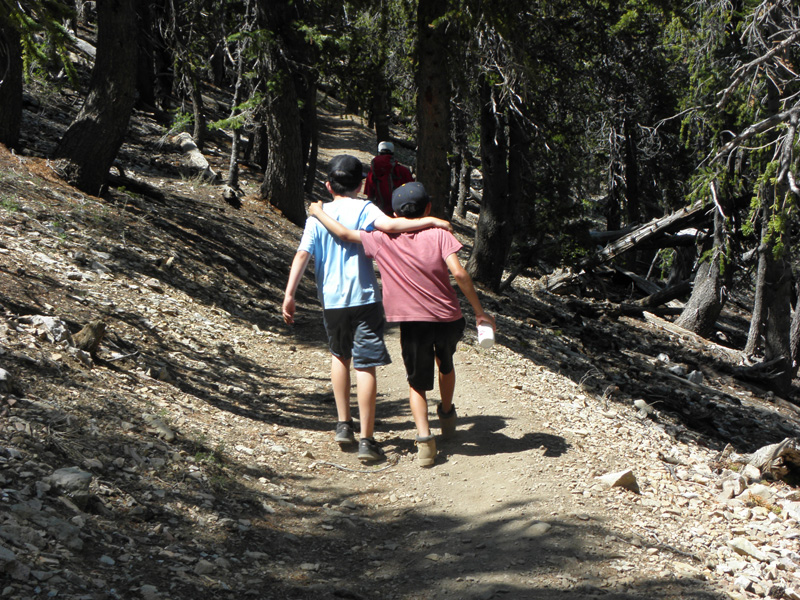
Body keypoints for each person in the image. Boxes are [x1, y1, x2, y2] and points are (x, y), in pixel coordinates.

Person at [309, 182, 496, 467]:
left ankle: (425, 443)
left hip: (412, 322)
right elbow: (459, 273)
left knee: (416, 382)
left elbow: (344, 233)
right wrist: (480, 312)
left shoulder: (382, 238)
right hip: (448, 317)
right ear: (428, 209)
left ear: (393, 215)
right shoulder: (439, 234)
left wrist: (318, 211)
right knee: (445, 364)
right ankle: (447, 415)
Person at [282, 155, 451, 462]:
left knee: (339, 356)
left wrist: (290, 294)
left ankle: (343, 423)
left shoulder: (316, 216)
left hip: (332, 300)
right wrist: (431, 220)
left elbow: (302, 255)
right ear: (362, 184)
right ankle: (366, 440)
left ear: (328, 185)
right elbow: (394, 225)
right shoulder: (365, 208)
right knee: (365, 366)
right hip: (365, 298)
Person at [364, 141, 414, 215]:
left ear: (379, 152)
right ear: (393, 153)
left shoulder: (372, 173)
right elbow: (412, 192)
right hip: (400, 212)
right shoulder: (403, 171)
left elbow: (370, 195)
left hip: (380, 212)